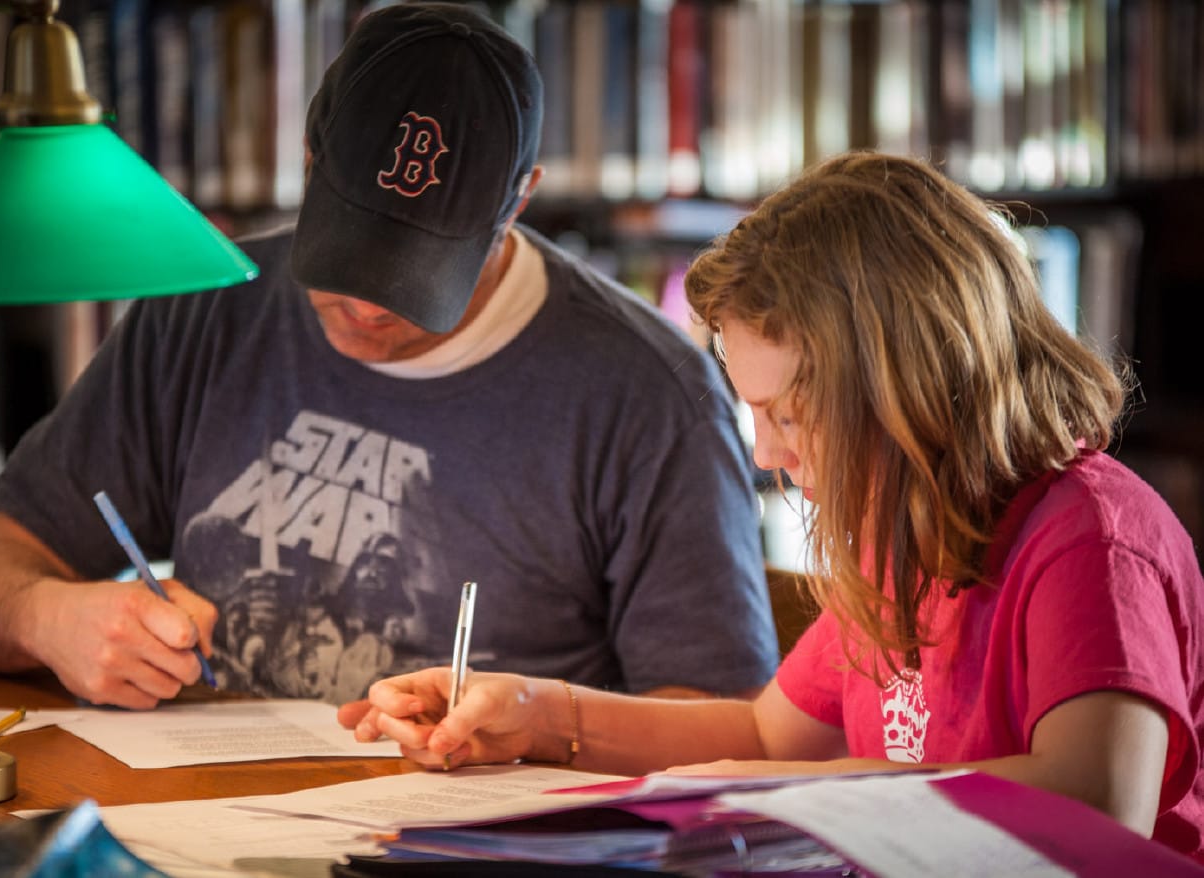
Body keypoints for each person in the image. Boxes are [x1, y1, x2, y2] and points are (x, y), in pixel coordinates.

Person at [345, 152, 1204, 861]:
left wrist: (833, 788)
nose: (765, 454)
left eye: (788, 414)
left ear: (906, 381)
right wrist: (533, 715)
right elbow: (766, 737)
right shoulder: (899, 523)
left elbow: (1101, 801)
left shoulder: (1087, 536)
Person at [0, 3, 778, 710]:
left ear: (518, 200)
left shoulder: (653, 399)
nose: (370, 304)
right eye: (350, 252)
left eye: (416, 273)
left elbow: (723, 727)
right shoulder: (205, 308)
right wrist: (49, 618)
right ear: (310, 165)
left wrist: (538, 726)